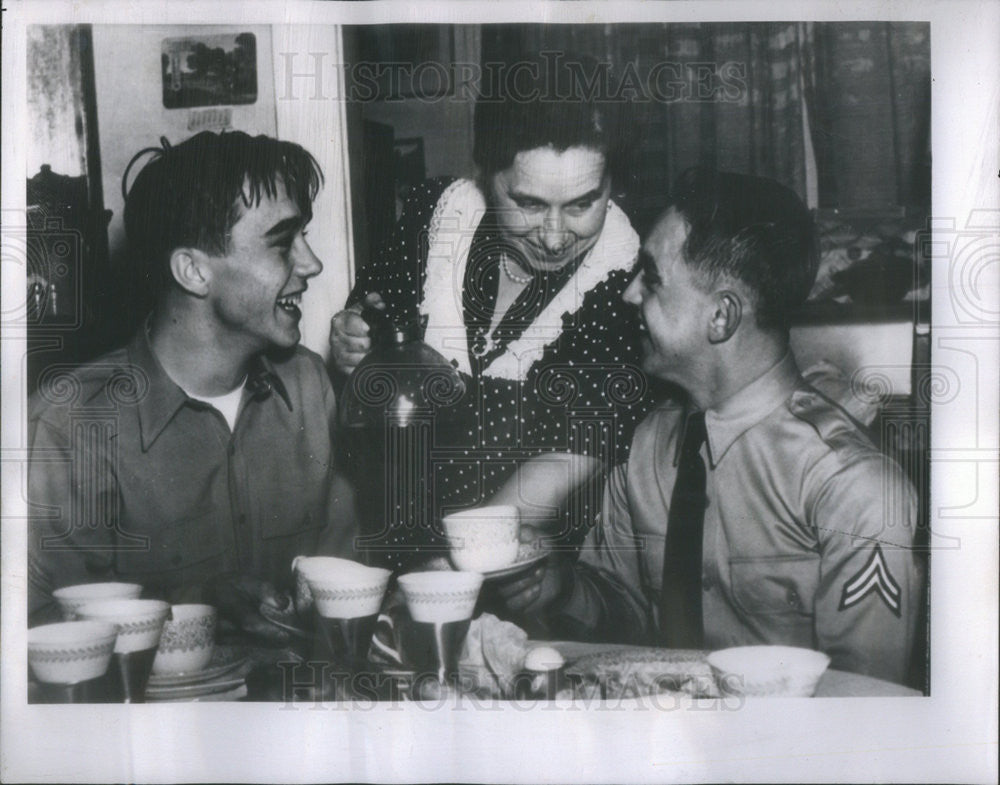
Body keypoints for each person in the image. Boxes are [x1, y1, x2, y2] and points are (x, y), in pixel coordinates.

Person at [501, 168, 922, 685]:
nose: (630, 294)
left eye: (652, 278)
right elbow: (627, 618)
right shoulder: (647, 447)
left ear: (721, 317)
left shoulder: (853, 489)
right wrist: (564, 590)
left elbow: (865, 709)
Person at [329, 55, 660, 572]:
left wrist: (453, 569)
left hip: (524, 569)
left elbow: (570, 457)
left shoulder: (625, 286)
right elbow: (372, 329)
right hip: (388, 541)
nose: (554, 237)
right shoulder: (435, 218)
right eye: (527, 203)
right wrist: (352, 340)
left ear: (611, 185)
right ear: (485, 175)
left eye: (581, 205)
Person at [27, 131, 359, 640]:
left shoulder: (311, 386)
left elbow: (347, 588)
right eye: (282, 242)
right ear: (193, 271)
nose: (311, 263)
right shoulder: (68, 425)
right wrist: (198, 605)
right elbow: (35, 634)